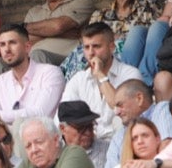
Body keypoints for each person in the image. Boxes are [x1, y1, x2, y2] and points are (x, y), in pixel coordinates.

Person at [68, 0, 160, 80]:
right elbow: (90, 43)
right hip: (103, 62)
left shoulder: (150, 7)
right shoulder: (100, 16)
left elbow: (153, 40)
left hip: (135, 64)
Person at [0, 23, 66, 130]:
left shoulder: (51, 73)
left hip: (39, 138)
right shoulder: (1, 80)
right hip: (5, 140)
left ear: (27, 47)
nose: (7, 49)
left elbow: (40, 113)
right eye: (2, 45)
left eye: (12, 43)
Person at [60, 23, 143, 151]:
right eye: (86, 47)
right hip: (88, 145)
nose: (91, 53)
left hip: (122, 145)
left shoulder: (130, 74)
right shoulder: (78, 79)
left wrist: (100, 75)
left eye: (96, 46)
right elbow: (63, 116)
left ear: (112, 47)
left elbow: (123, 109)